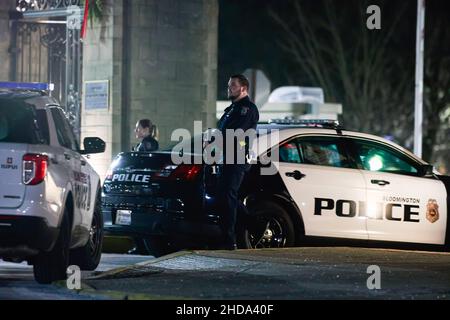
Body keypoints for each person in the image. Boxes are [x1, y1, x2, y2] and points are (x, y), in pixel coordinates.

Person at [216, 74, 259, 250]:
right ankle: (255, 224)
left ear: (243, 88)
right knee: (225, 196)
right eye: (228, 85)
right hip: (226, 157)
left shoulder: (247, 109)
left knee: (228, 195)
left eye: (233, 85)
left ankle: (229, 240)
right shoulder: (230, 110)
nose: (229, 88)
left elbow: (236, 132)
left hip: (238, 157)